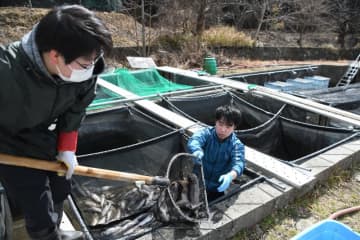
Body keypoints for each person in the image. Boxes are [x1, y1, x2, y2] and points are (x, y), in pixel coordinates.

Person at [0, 5, 112, 240]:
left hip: (43, 132)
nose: (91, 67)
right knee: (35, 197)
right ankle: (46, 234)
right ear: (55, 55)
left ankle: (56, 226)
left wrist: (67, 148)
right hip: (7, 140)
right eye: (85, 63)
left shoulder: (85, 72)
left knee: (61, 183)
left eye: (95, 59)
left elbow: (75, 111)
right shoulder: (7, 70)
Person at [187, 105, 245, 202]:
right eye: (220, 124)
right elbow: (195, 139)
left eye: (228, 126)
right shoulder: (206, 133)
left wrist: (231, 175)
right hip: (197, 181)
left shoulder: (236, 145)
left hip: (218, 186)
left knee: (212, 205)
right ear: (215, 122)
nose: (223, 130)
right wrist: (196, 150)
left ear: (234, 127)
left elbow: (239, 163)